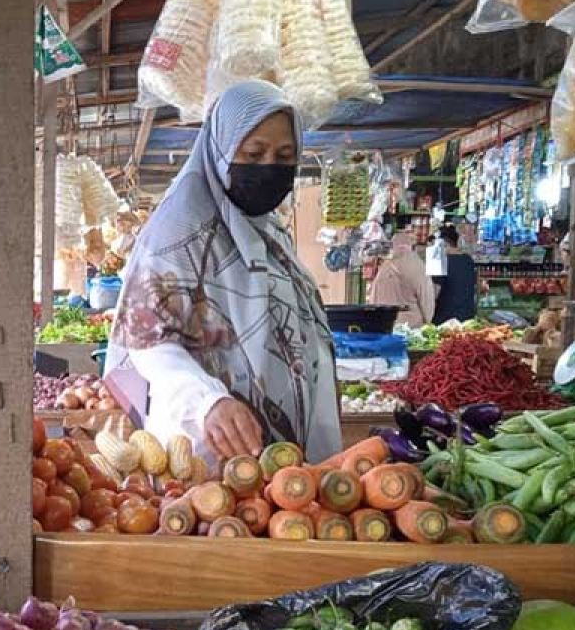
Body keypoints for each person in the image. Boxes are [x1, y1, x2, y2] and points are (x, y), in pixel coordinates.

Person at [104, 81, 341, 466]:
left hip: (281, 466)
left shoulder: (268, 229)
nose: (270, 167)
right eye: (253, 152)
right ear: (220, 149)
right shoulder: (178, 231)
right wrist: (207, 400)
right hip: (206, 453)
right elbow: (146, 340)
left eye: (284, 155)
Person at [369, 231, 434, 328]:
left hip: (385, 324)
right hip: (411, 327)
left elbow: (372, 300)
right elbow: (426, 300)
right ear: (411, 246)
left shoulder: (384, 268)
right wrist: (428, 322)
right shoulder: (417, 266)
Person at [432, 224, 477, 324]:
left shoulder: (439, 262)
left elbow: (433, 294)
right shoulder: (468, 260)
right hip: (467, 317)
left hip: (445, 320)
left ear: (444, 244)